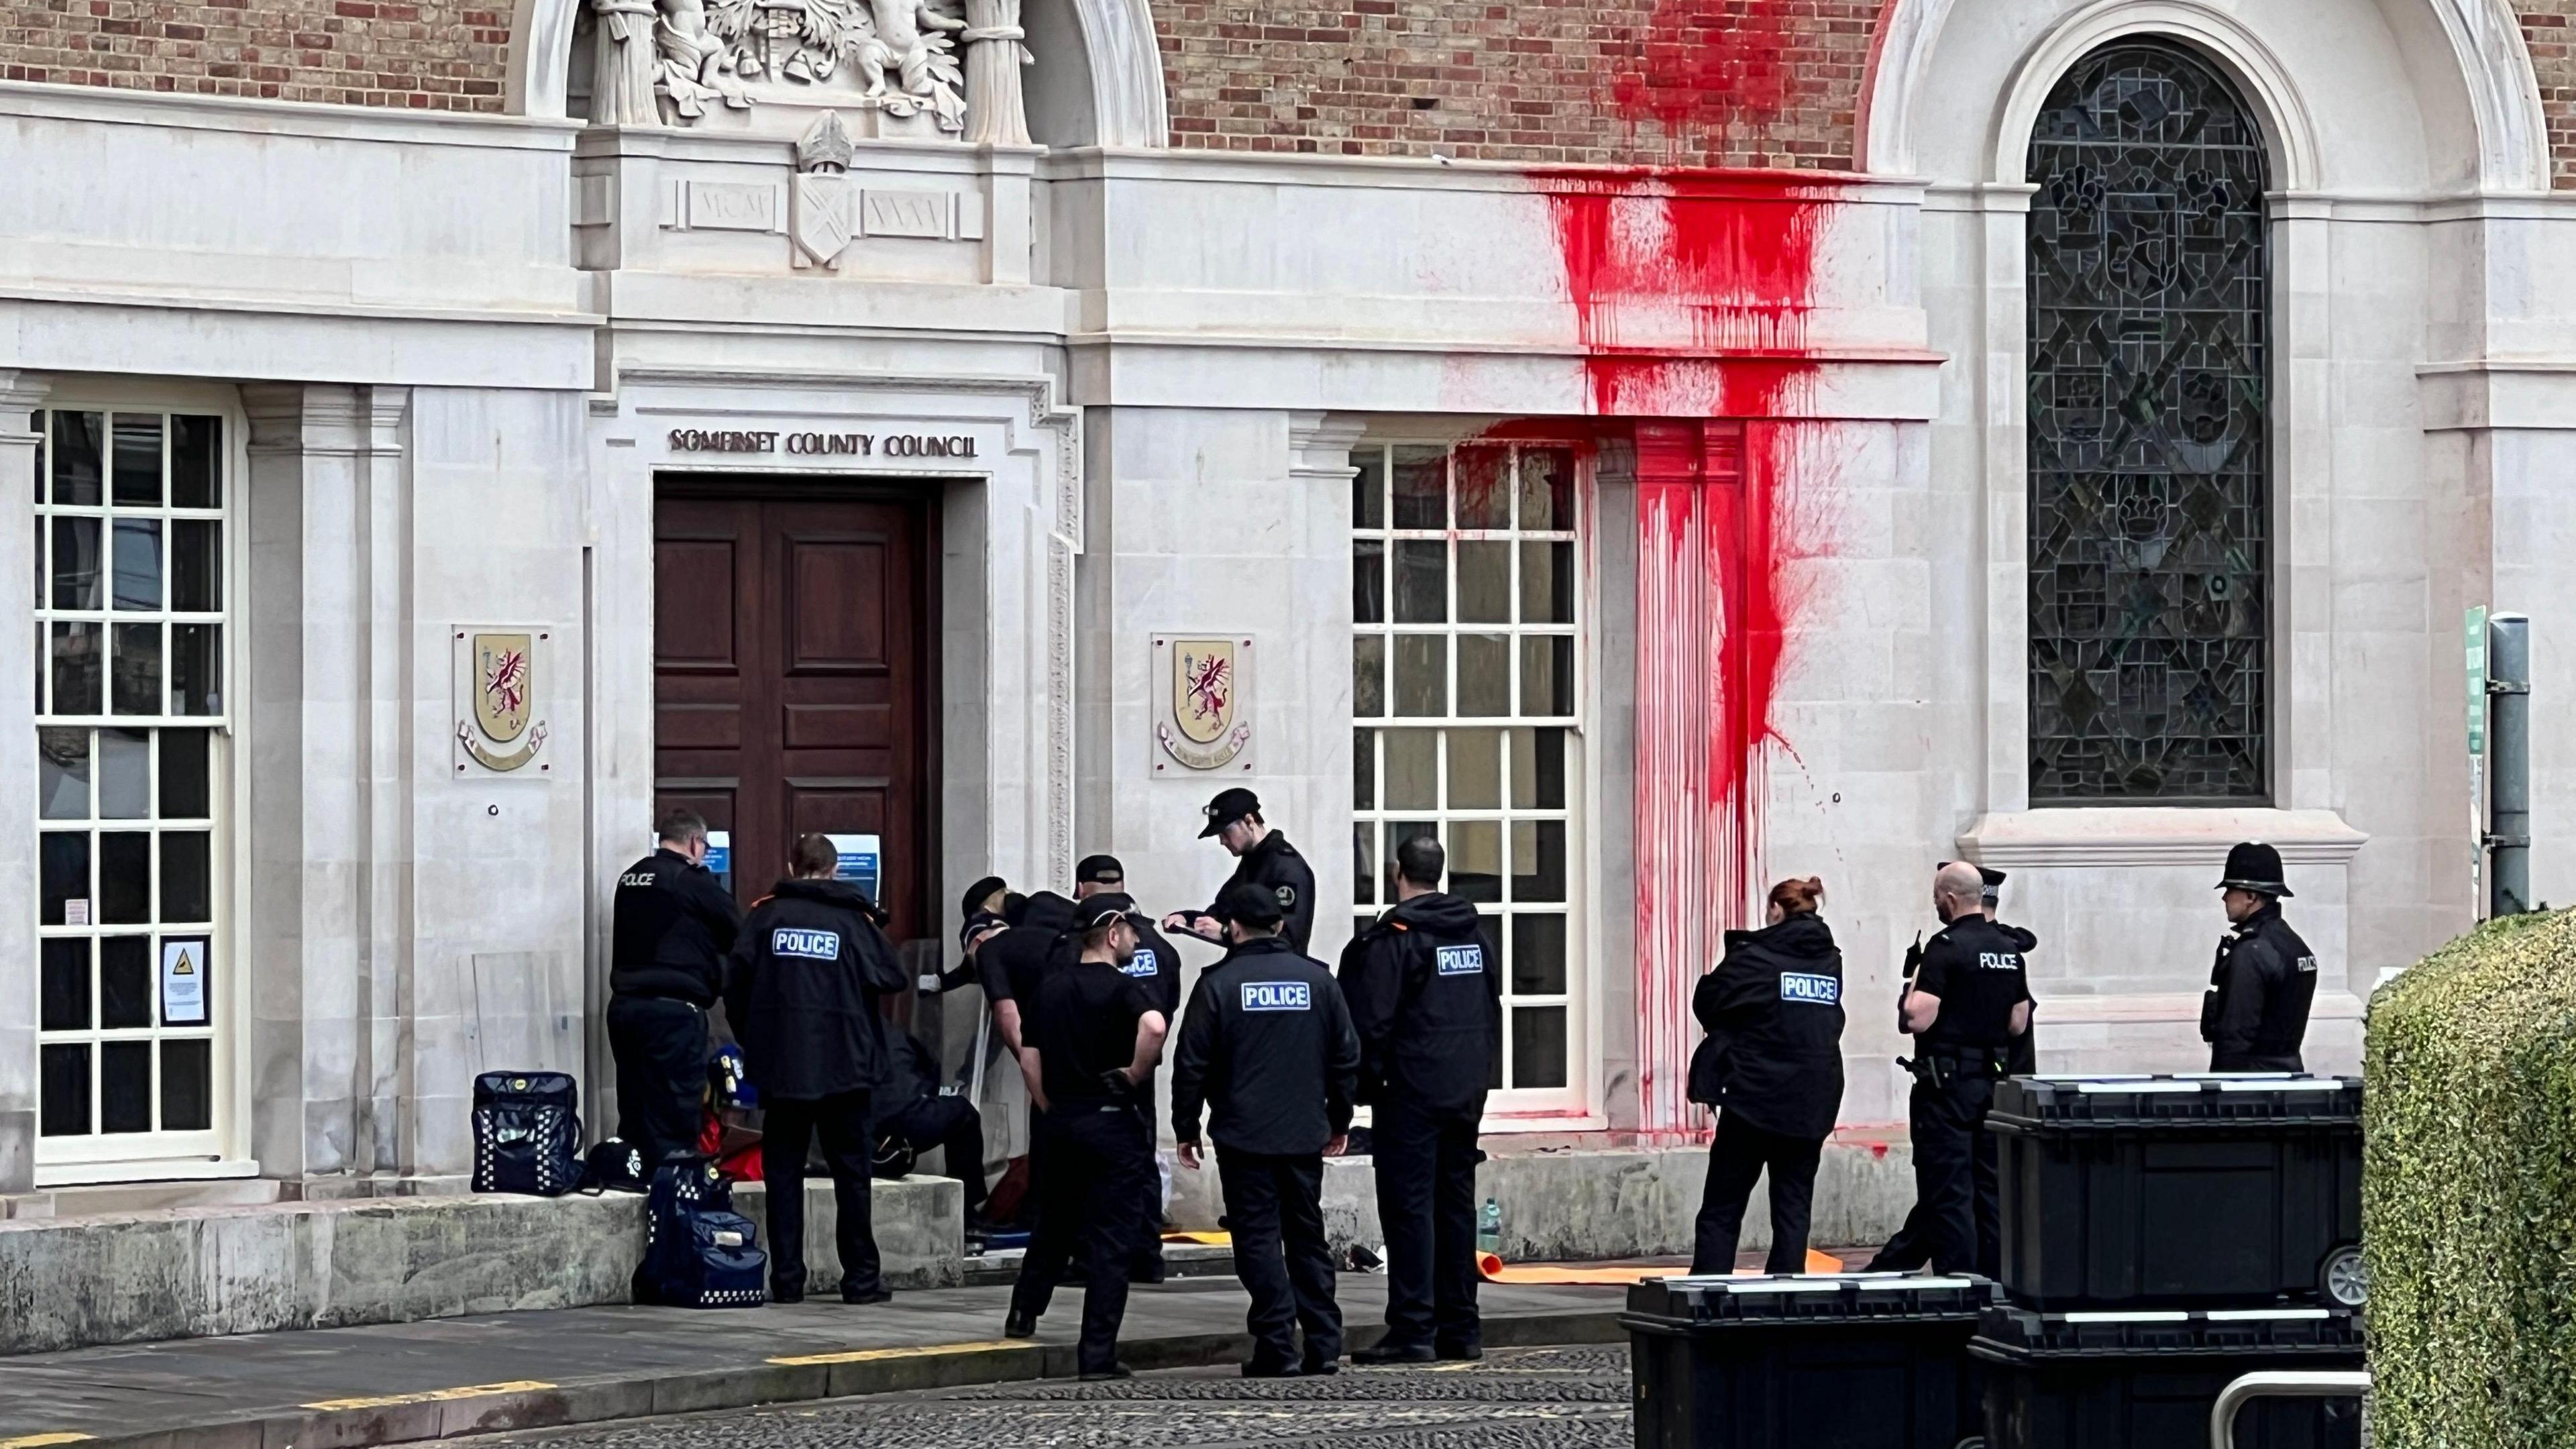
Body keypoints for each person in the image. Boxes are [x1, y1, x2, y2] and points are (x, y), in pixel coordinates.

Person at [1172, 881, 1362, 1377]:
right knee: (1306, 1237)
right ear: (1280, 925)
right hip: (1302, 1132)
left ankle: (1276, 1344)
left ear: (1233, 927)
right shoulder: (1318, 981)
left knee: (1257, 1240)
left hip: (1243, 1135)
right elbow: (1346, 1058)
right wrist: (1339, 1120)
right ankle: (1323, 1343)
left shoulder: (1218, 984)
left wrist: (1186, 1127)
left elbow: (1191, 1063)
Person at [723, 833, 908, 1304]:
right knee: (852, 1175)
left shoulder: (765, 917)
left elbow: (735, 987)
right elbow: (892, 976)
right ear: (833, 869)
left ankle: (787, 1280)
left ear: (793, 863)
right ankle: (861, 1279)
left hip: (784, 1070)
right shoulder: (852, 920)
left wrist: (759, 1044)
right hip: (846, 1069)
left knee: (783, 1174)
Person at [1336, 834, 1497, 1364]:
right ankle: (1461, 1325)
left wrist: (1358, 1091)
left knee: (1409, 1211)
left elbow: (1372, 1025)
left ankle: (1413, 1326)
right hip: (1464, 1090)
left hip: (1410, 1092)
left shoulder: (1395, 939)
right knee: (1455, 1207)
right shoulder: (1474, 935)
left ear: (1397, 873)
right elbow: (1492, 1006)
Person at [1004, 894, 1170, 1380]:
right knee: (1111, 1240)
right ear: (1113, 933)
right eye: (1133, 932)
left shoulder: (1049, 988)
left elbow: (1028, 1057)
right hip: (1111, 1121)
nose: (1137, 941)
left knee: (1054, 1222)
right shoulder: (1125, 989)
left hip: (1062, 1123)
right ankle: (1096, 1354)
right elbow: (1156, 1027)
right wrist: (1137, 1073)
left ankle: (1023, 1312)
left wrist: (1047, 1104)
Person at [1866, 863, 2036, 1274]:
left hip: (1945, 1089)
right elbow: (2018, 1023)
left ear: (1951, 898)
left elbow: (1918, 1018)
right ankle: (1995, 1283)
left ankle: (1959, 1285)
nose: (1936, 904)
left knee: (1949, 1192)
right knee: (1989, 1190)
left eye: (1938, 897)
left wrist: (1912, 983)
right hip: (1991, 1088)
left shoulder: (1945, 946)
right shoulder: (2009, 949)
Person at [1684, 877, 1845, 1276]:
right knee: (1793, 1207)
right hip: (1813, 1098)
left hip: (1755, 1099)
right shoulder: (1829, 960)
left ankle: (1708, 1290)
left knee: (1724, 1203)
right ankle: (1787, 1295)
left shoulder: (1756, 957)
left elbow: (1709, 1001)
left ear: (1776, 909)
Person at [608, 808, 745, 1169]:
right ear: (695, 843)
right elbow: (737, 930)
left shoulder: (630, 877)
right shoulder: (691, 881)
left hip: (625, 1008)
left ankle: (635, 1177)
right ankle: (673, 1195)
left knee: (636, 1104)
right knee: (675, 1112)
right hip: (673, 1013)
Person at [1077, 853, 1185, 1283]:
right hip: (1140, 1068)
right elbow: (1167, 1008)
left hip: (1090, 1072)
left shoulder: (1086, 943)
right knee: (1141, 1160)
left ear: (1083, 889)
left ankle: (1093, 1258)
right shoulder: (1158, 945)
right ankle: (1146, 1253)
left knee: (1091, 1169)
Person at [2203, 842, 2320, 1071]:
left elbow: (2235, 1034)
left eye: (2230, 890)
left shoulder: (2252, 951)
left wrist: (2220, 1093)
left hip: (2251, 1087)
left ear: (2250, 896)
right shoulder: (2294, 945)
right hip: (2287, 1077)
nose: (2224, 898)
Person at [1164, 787, 1318, 955]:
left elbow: (1288, 938)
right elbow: (1224, 911)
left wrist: (1225, 932)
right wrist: (1189, 920)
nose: (1222, 841)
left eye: (1226, 832)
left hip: (1278, 975)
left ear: (1249, 821)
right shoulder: (1254, 859)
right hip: (1249, 966)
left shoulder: (1286, 867)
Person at [869, 1022, 991, 1230]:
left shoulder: (846, 1029)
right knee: (964, 1113)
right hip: (902, 1120)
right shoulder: (893, 1033)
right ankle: (968, 1213)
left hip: (861, 1128)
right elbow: (930, 1071)